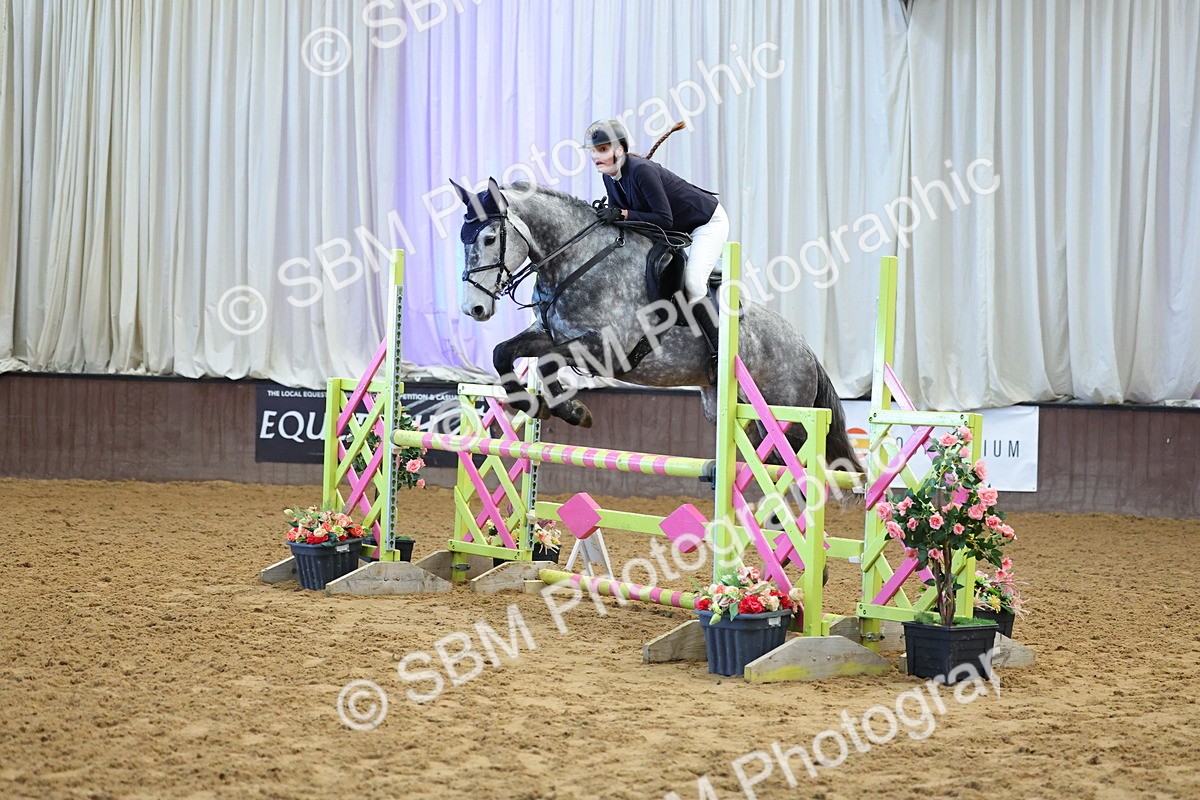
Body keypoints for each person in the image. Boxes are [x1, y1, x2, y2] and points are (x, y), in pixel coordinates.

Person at [584, 118, 729, 382]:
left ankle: (721, 354)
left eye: (603, 149)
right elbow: (632, 225)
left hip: (705, 223)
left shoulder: (641, 171)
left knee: (694, 285)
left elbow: (664, 219)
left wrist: (624, 213)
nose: (596, 155)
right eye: (593, 150)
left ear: (619, 150)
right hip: (674, 231)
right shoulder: (611, 178)